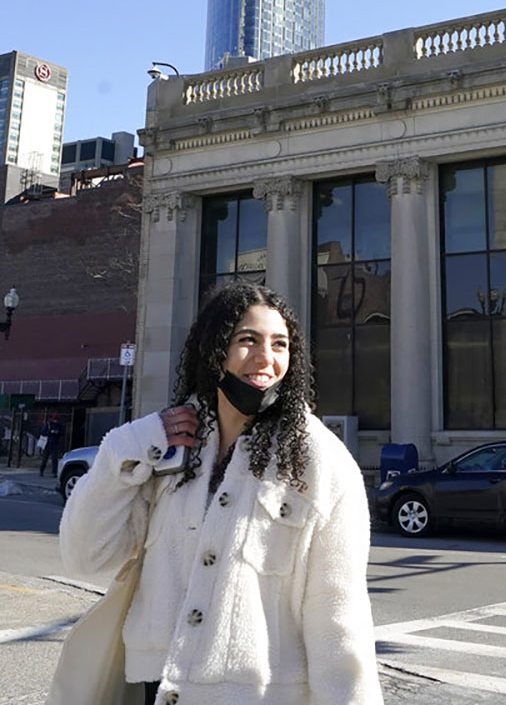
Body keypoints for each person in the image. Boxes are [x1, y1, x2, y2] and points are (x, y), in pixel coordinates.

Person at [59, 282, 383, 704]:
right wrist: (124, 449)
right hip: (156, 689)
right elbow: (85, 557)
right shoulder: (167, 448)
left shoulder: (321, 462)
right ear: (214, 350)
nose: (266, 358)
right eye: (247, 340)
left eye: (280, 344)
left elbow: (339, 621)